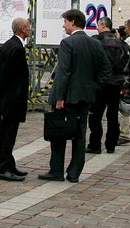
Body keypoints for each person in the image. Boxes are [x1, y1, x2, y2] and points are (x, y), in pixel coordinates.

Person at [39, 9, 110, 183]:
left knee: (58, 133)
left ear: (72, 22)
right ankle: (74, 173)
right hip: (85, 97)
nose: (63, 25)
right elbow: (106, 69)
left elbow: (64, 72)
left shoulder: (68, 43)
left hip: (67, 98)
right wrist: (93, 87)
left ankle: (56, 170)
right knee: (79, 134)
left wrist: (60, 97)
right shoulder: (95, 43)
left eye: (64, 22)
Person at [0, 17, 32, 182]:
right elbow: (6, 74)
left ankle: (9, 163)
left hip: (9, 97)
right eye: (29, 27)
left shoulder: (10, 45)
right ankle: (4, 168)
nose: (30, 29)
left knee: (10, 133)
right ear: (23, 29)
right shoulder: (16, 48)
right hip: (12, 98)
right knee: (8, 134)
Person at [89, 17, 129, 154]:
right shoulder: (121, 43)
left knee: (95, 115)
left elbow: (93, 62)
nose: (97, 27)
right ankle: (111, 144)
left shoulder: (96, 41)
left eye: (98, 25)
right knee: (113, 115)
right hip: (116, 83)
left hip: (101, 83)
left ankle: (95, 144)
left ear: (103, 25)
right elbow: (128, 63)